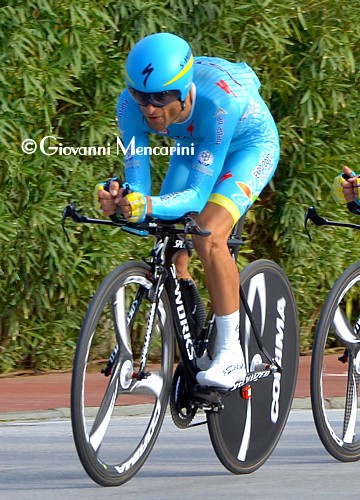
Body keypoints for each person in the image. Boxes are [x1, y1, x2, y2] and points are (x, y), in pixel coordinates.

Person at [97, 32, 280, 389]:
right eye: (140, 96)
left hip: (247, 147)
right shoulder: (129, 107)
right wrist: (120, 202)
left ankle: (231, 355)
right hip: (194, 148)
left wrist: (146, 205)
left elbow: (196, 198)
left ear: (182, 90)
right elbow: (140, 189)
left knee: (208, 234)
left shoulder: (217, 102)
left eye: (160, 98)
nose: (149, 108)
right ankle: (195, 347)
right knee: (171, 244)